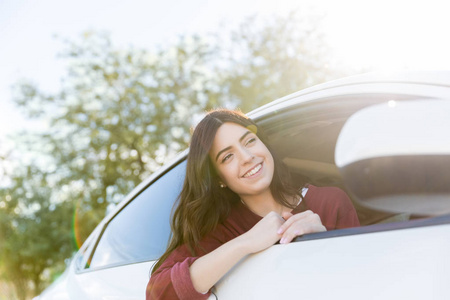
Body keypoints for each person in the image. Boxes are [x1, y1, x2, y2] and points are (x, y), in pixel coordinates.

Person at [146, 109, 360, 299]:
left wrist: (326, 242)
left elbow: (361, 278)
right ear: (219, 179)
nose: (247, 157)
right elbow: (158, 294)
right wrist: (245, 243)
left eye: (249, 141)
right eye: (228, 157)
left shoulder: (330, 202)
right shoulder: (220, 232)